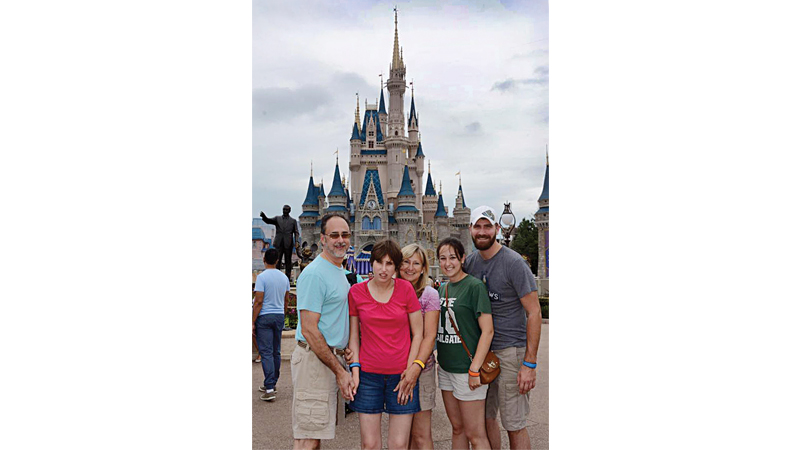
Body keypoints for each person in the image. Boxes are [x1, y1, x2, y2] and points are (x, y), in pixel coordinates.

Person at [464, 206, 542, 450]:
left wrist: (529, 364)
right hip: (483, 355)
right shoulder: (472, 263)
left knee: (514, 423)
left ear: (497, 229)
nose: (483, 231)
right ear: (470, 230)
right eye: (478, 226)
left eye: (488, 226)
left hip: (510, 352)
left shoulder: (513, 262)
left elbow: (534, 312)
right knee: (486, 420)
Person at [347, 239, 424, 450]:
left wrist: (411, 369)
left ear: (395, 266)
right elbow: (354, 336)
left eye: (389, 263)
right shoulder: (356, 292)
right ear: (371, 263)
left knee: (399, 444)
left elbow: (418, 333)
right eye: (379, 262)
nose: (383, 269)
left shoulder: (406, 289)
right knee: (369, 444)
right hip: (368, 376)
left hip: (401, 377)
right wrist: (355, 370)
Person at [292, 214, 356, 449]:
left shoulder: (338, 271)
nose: (341, 240)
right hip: (315, 360)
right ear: (322, 238)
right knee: (308, 437)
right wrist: (340, 372)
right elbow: (309, 329)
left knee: (316, 432)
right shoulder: (315, 274)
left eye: (345, 235)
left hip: (328, 358)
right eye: (334, 235)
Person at [436, 237, 494, 450]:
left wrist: (474, 369)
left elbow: (487, 331)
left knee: (475, 434)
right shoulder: (443, 289)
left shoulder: (474, 287)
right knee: (457, 428)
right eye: (442, 258)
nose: (447, 263)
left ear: (462, 258)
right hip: (446, 369)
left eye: (452, 257)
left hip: (467, 371)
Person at [399, 244, 441, 450]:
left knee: (421, 434)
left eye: (416, 263)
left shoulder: (429, 295)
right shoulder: (392, 290)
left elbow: (429, 336)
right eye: (406, 261)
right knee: (402, 435)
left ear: (424, 268)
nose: (410, 267)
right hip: (397, 369)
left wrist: (416, 367)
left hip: (421, 369)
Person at [253, 248, 290, 401]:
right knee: (276, 351)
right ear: (276, 261)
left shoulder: (261, 277)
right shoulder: (284, 278)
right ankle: (272, 383)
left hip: (265, 317)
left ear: (264, 260)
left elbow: (258, 301)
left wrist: (252, 321)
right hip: (279, 315)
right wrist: (283, 313)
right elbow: (287, 300)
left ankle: (269, 388)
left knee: (266, 352)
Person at [260, 205, 301, 282]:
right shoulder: (277, 219)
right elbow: (269, 221)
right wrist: (264, 217)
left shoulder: (293, 221)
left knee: (288, 262)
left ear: (289, 211)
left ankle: (287, 280)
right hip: (279, 243)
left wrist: (297, 241)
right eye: (283, 209)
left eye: (286, 210)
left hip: (288, 243)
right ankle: (276, 278)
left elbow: (296, 232)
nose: (284, 211)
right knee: (277, 260)